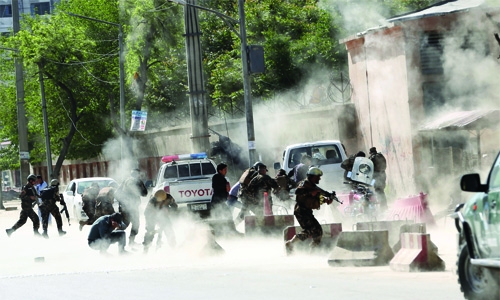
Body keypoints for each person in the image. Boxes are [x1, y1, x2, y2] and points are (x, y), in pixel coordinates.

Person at [285, 167, 336, 253]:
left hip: (307, 212)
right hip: (301, 211)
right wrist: (310, 192)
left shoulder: (313, 187)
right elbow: (297, 192)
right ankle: (290, 243)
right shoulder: (304, 183)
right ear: (313, 176)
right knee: (310, 229)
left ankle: (312, 251)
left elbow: (315, 198)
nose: (319, 178)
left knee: (318, 231)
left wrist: (326, 200)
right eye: (318, 177)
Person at [118, 168, 148, 246]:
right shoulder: (138, 181)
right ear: (138, 174)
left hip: (124, 207)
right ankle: (131, 242)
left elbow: (117, 193)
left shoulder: (125, 181)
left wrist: (121, 203)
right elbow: (144, 193)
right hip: (133, 207)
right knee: (135, 224)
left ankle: (113, 239)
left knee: (124, 224)